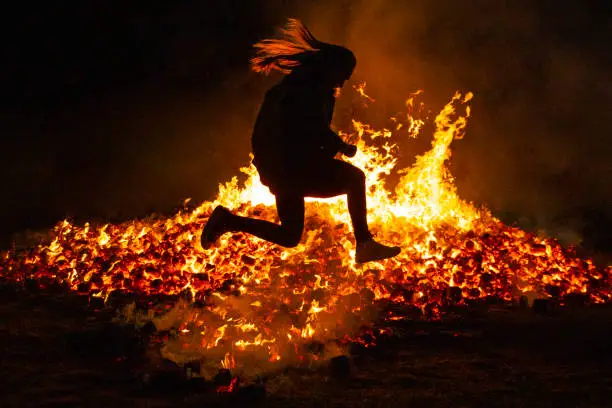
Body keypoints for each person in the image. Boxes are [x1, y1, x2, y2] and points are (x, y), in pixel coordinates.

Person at [201, 19, 400, 263]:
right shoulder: (305, 89)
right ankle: (365, 244)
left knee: (289, 236)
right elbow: (307, 125)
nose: (345, 81)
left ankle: (228, 221)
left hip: (282, 169)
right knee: (354, 179)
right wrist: (340, 146)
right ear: (329, 67)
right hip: (289, 167)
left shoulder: (300, 87)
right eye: (344, 74)